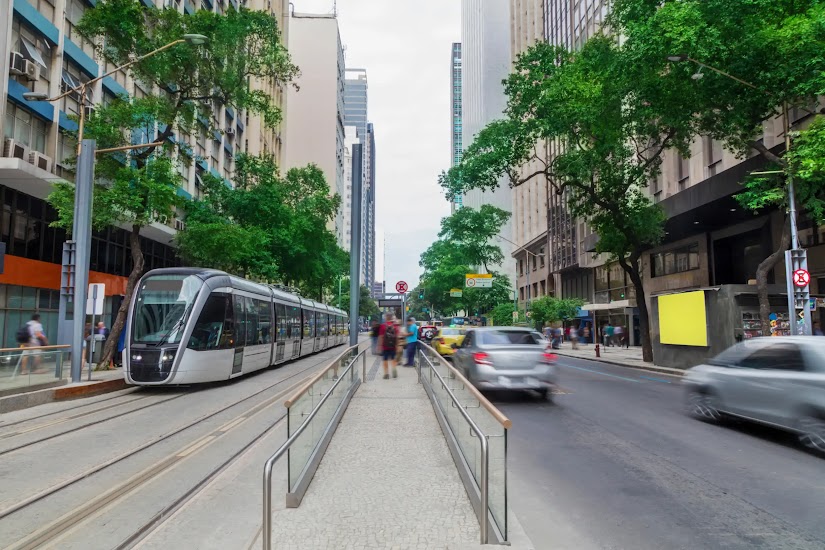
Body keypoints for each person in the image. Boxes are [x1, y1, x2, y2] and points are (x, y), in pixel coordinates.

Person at [377, 313, 399, 380]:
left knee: (385, 359)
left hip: (385, 346)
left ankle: (386, 374)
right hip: (393, 346)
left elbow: (381, 336)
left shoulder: (383, 326)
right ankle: (394, 368)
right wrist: (397, 345)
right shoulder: (395, 326)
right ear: (392, 317)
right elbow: (397, 337)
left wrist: (379, 346)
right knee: (393, 358)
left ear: (386, 318)